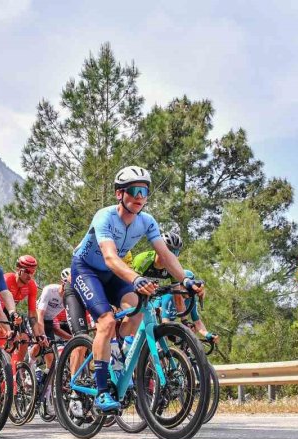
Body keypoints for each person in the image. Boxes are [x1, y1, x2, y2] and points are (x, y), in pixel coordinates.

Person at [71, 165, 202, 413]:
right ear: (120, 194)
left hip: (114, 274)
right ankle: (100, 392)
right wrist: (136, 279)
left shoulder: (147, 222)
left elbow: (167, 256)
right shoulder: (105, 217)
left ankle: (116, 354)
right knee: (107, 322)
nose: (140, 196)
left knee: (138, 312)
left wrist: (185, 280)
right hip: (87, 269)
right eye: (134, 190)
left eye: (144, 191)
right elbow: (109, 257)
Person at [131, 233, 217, 341]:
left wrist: (184, 321)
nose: (171, 256)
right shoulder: (143, 259)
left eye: (175, 253)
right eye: (169, 251)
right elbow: (128, 284)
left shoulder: (172, 267)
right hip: (132, 289)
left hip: (150, 300)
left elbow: (178, 298)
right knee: (132, 320)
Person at [4, 255, 47, 365]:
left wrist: (38, 335)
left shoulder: (31, 285)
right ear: (18, 269)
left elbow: (32, 314)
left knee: (25, 338)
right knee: (2, 337)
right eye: (27, 271)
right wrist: (6, 330)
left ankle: (19, 368)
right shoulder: (7, 279)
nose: (30, 275)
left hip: (12, 312)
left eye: (33, 272)